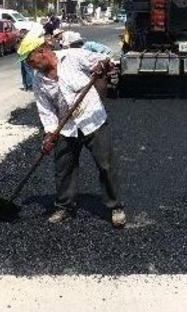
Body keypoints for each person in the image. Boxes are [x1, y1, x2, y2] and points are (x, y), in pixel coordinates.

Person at [18, 31, 126, 228]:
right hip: (66, 126)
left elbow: (105, 60)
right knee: (64, 168)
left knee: (105, 165)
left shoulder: (73, 57)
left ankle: (115, 207)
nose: (29, 64)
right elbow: (46, 109)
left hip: (92, 119)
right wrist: (50, 133)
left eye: (29, 59)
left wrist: (103, 66)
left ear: (42, 51)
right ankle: (64, 206)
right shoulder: (39, 80)